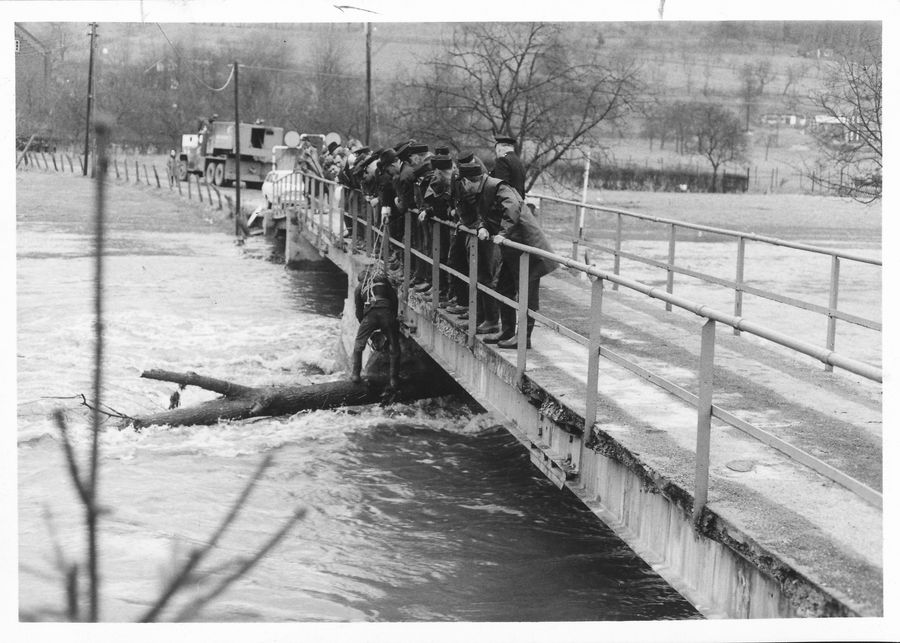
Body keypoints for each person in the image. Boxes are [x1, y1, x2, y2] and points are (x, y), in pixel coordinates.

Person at [460, 163, 556, 349]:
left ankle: (523, 338)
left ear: (466, 181)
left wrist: (502, 234)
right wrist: (483, 227)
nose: (463, 188)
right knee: (503, 287)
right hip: (514, 250)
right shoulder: (485, 189)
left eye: (463, 183)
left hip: (528, 248)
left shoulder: (497, 186)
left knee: (527, 295)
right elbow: (486, 216)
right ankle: (507, 330)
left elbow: (512, 207)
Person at [351, 266, 401, 389]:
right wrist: (393, 317)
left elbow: (358, 311)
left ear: (361, 279)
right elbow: (394, 299)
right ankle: (394, 379)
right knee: (394, 346)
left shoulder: (359, 288)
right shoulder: (383, 281)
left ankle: (356, 374)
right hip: (386, 312)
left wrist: (364, 325)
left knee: (359, 344)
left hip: (370, 315)